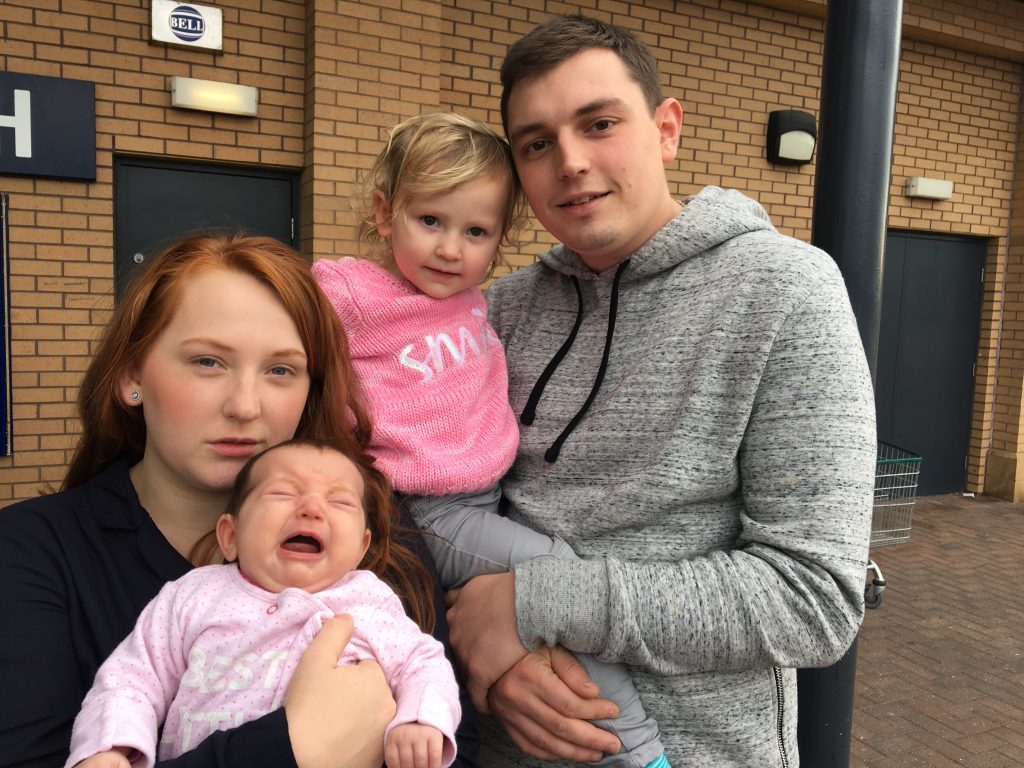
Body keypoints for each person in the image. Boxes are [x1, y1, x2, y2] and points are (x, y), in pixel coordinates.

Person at [444, 14, 877, 768]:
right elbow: (438, 510)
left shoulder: (784, 291)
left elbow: (813, 598)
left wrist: (532, 604)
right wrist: (502, 658)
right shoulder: (499, 310)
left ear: (667, 128)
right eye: (537, 143)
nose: (571, 162)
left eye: (599, 123)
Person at [0, 233, 478, 768]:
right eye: (208, 362)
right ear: (132, 375)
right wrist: (295, 745)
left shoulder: (382, 534)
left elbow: (450, 736)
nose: (246, 406)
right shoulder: (31, 553)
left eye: (281, 370)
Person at [313, 112, 670, 768]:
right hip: (432, 510)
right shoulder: (354, 293)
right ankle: (646, 755)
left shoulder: (474, 299)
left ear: (499, 238)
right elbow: (284, 317)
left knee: (558, 610)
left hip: (484, 504)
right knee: (569, 582)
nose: (451, 248)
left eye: (475, 231)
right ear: (383, 212)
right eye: (430, 222)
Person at [66, 439, 461, 768]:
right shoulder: (192, 596)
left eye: (340, 502)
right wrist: (109, 746)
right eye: (283, 493)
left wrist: (421, 719)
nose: (311, 508)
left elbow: (422, 664)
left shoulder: (368, 602)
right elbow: (132, 677)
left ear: (361, 547)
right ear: (230, 534)